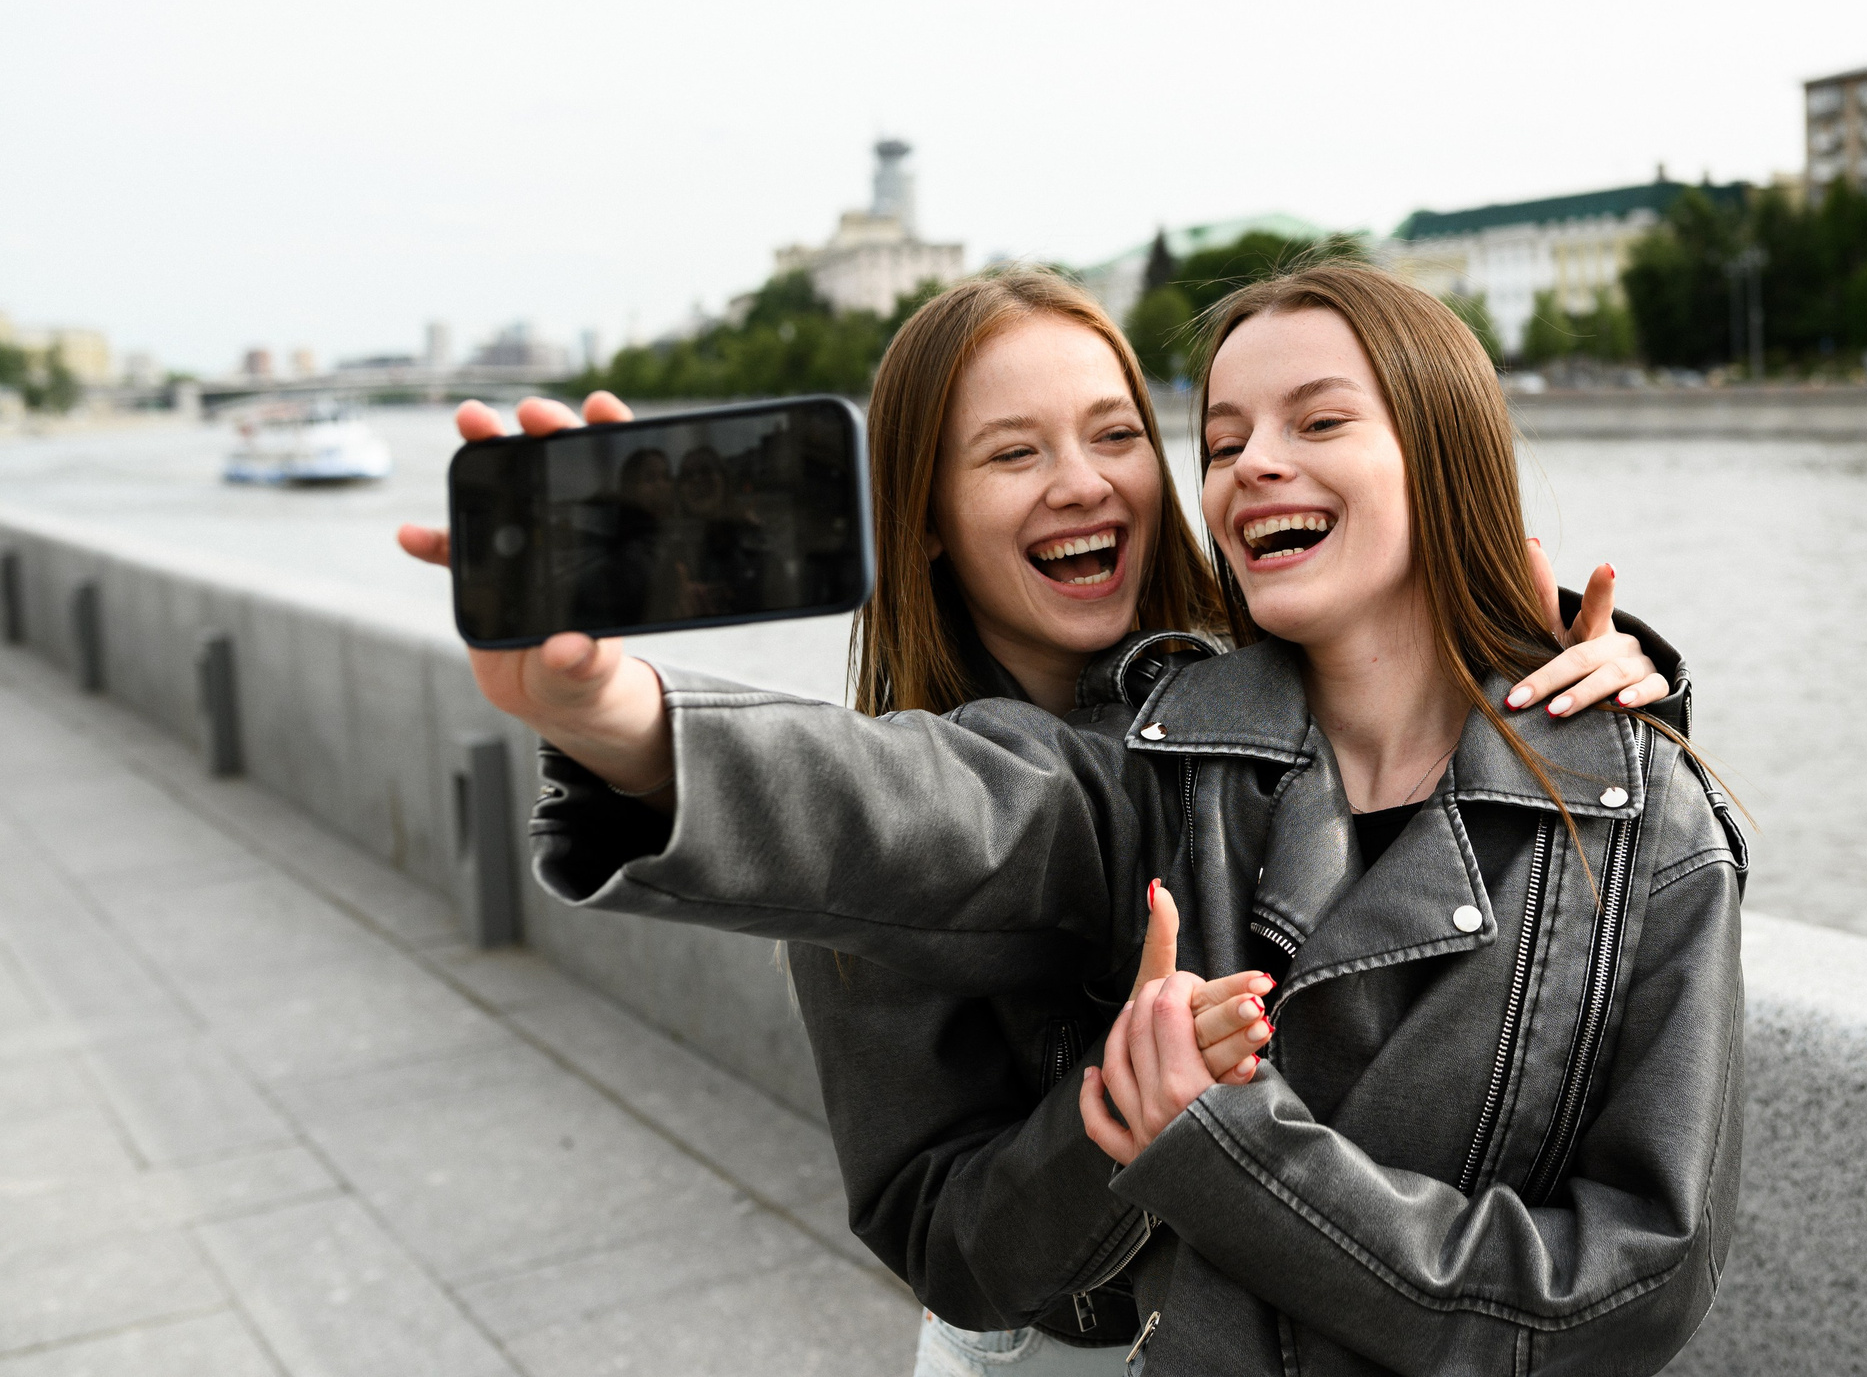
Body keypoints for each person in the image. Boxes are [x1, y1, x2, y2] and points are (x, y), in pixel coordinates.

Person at [396, 267, 1686, 1375]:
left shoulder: (1252, 699)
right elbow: (926, 817)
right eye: (1012, 454)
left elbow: (1421, 666)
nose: (1082, 487)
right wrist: (620, 716)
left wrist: (1588, 684)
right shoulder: (1024, 804)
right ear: (930, 523)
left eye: (1119, 436)